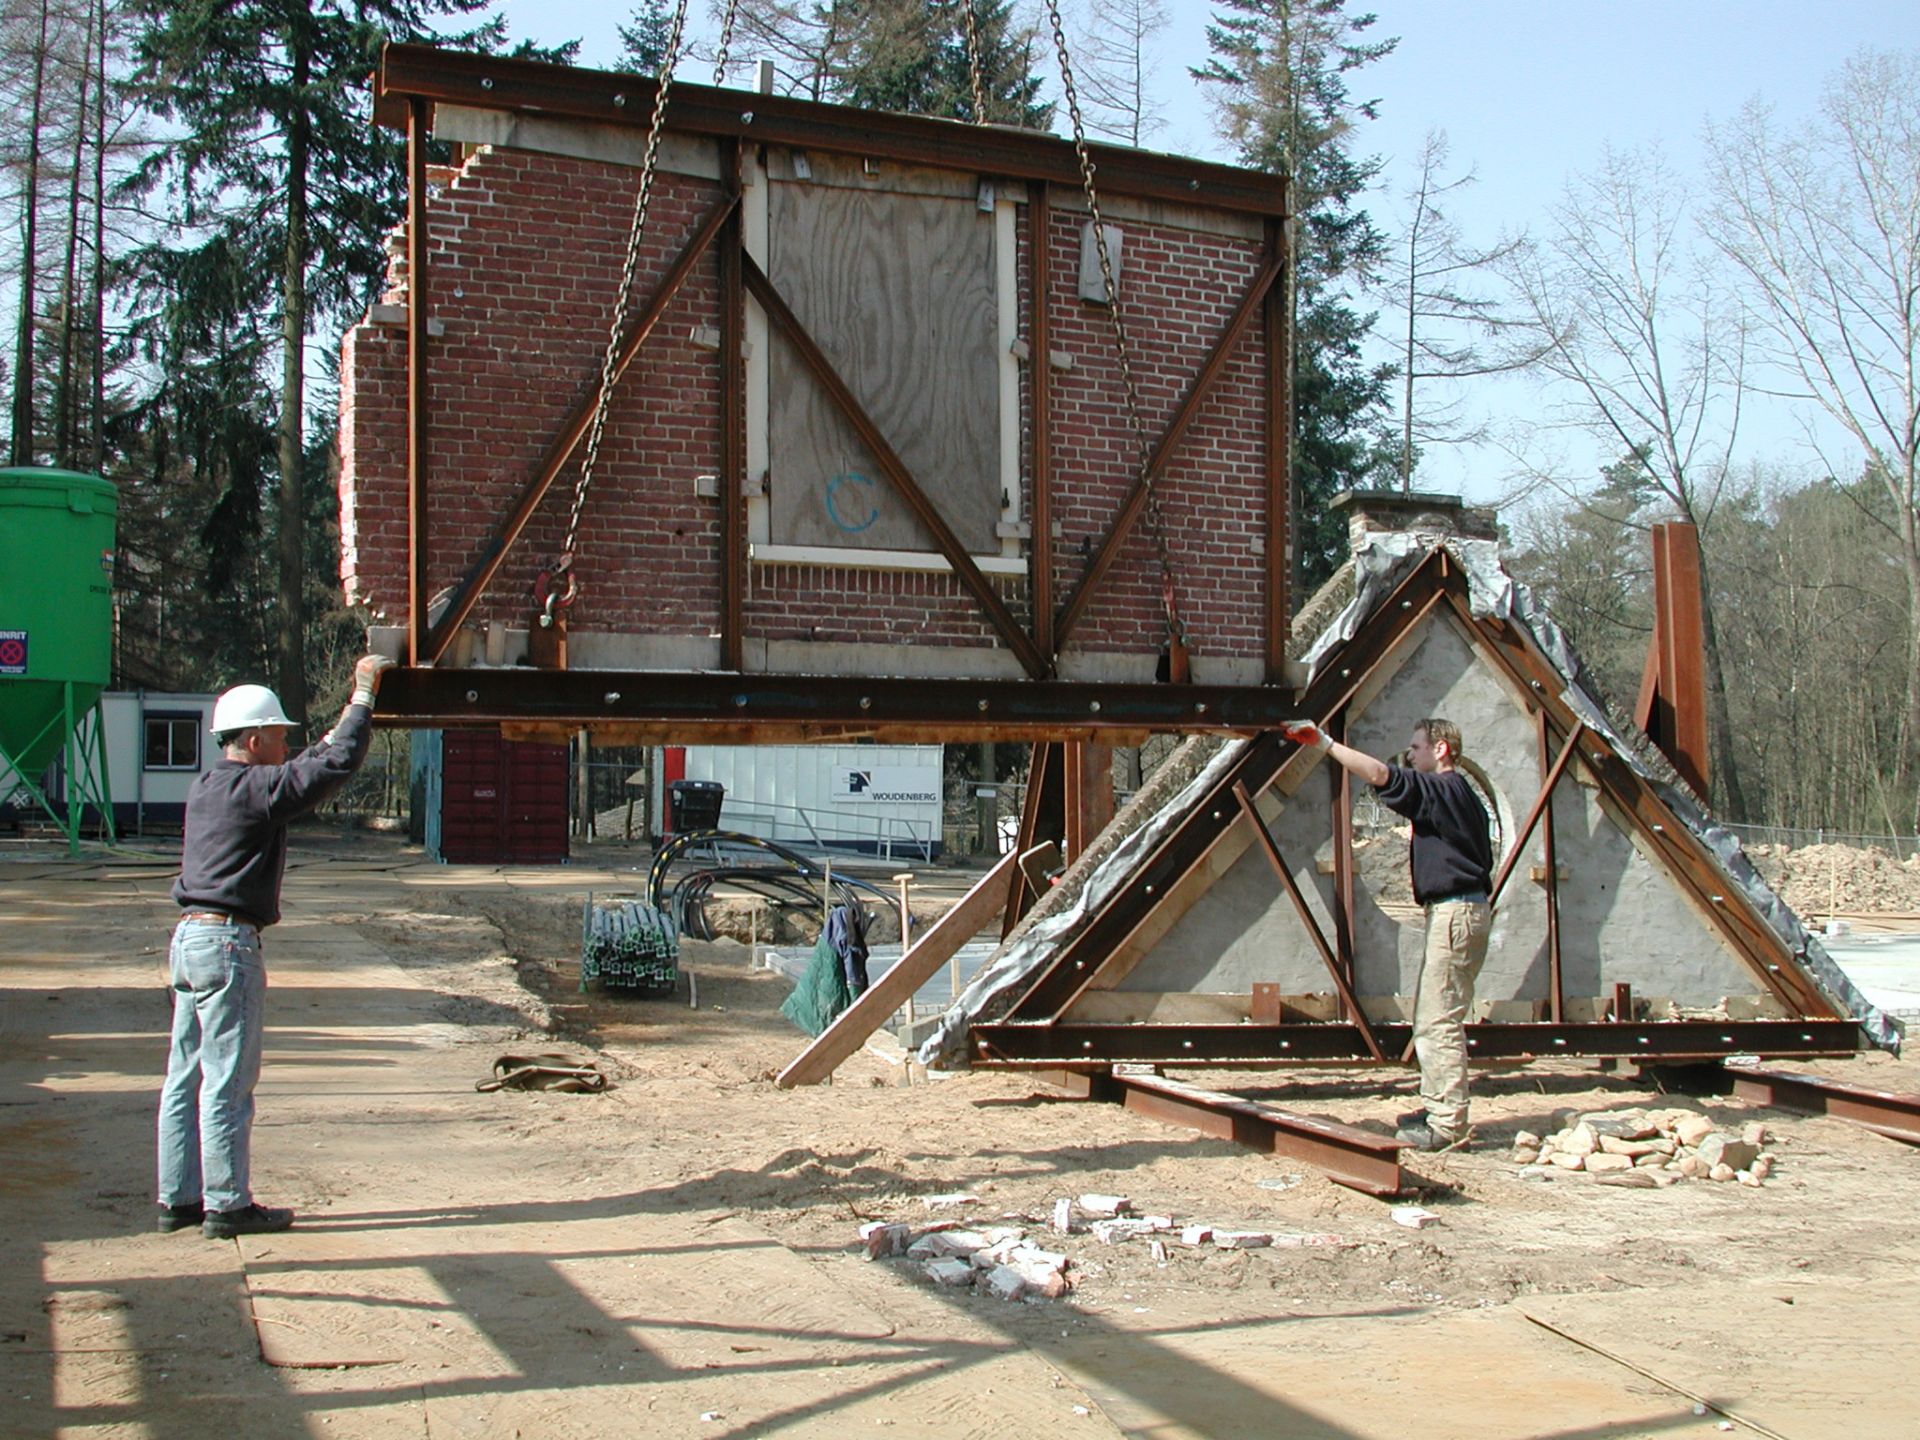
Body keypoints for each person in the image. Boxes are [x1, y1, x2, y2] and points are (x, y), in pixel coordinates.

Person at [156, 654, 394, 1237]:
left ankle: (178, 1199)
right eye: (281, 738)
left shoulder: (212, 785)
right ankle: (228, 1204)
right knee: (229, 1080)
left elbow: (307, 764)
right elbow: (332, 765)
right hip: (226, 945)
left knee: (184, 1075)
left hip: (189, 939)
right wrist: (364, 697)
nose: (286, 746)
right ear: (256, 738)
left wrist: (336, 725)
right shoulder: (254, 792)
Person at [1280, 717, 1494, 1152]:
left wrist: (1323, 743)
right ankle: (1437, 1106)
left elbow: (1380, 775)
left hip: (1456, 913)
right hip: (1459, 912)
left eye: (1416, 748)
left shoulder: (1444, 789)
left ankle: (1447, 1125)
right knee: (1432, 1016)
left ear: (1441, 751)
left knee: (1438, 1020)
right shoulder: (1461, 795)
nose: (1410, 755)